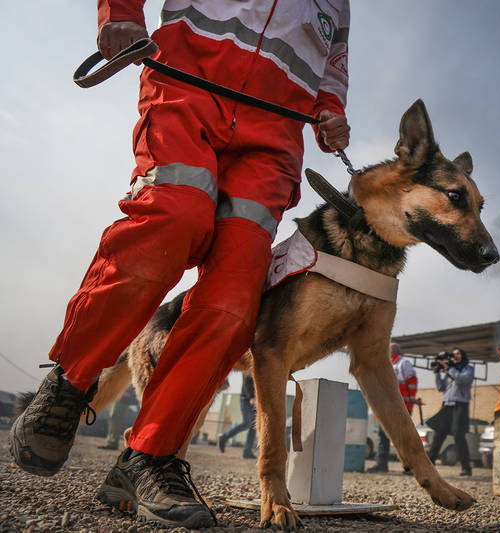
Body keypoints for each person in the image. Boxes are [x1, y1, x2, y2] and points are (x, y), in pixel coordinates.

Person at [10, 1, 350, 528]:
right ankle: (70, 382)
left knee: (236, 297)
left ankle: (150, 457)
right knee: (173, 217)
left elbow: (332, 62)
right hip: (189, 84)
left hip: (275, 137)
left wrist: (331, 108)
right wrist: (119, 11)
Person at [367, 342, 418, 473]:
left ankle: (411, 466)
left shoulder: (403, 364)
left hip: (402, 406)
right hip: (385, 406)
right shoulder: (384, 365)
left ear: (392, 351)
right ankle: (381, 464)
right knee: (382, 434)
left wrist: (409, 399)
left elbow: (412, 382)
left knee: (402, 436)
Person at [427, 347, 475, 477]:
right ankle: (429, 464)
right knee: (438, 435)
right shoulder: (450, 370)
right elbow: (440, 387)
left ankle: (466, 468)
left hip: (460, 405)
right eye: (453, 354)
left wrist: (449, 369)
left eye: (458, 353)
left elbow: (461, 380)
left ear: (463, 355)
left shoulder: (468, 368)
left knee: (459, 436)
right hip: (447, 406)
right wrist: (437, 372)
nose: (455, 356)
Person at [217, 373, 257, 459]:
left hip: (255, 399)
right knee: (247, 423)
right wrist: (251, 397)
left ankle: (247, 451)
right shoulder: (249, 365)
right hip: (247, 399)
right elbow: (247, 381)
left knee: (254, 426)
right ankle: (224, 436)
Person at [97, 386, 138, 451]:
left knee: (115, 418)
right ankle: (112, 441)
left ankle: (113, 442)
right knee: (113, 418)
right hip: (120, 396)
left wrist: (127, 391)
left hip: (126, 396)